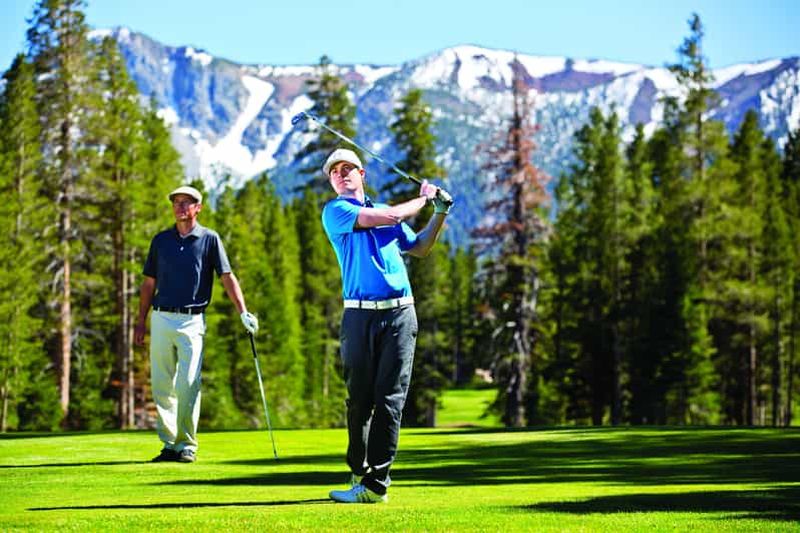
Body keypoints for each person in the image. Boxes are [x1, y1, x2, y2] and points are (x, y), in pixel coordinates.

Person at [321, 148, 452, 503]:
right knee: (359, 400)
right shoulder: (337, 211)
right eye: (336, 171)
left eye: (349, 168)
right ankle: (358, 471)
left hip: (399, 315)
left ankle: (377, 484)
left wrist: (439, 213)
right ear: (332, 181)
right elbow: (393, 215)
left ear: (362, 174)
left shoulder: (383, 216)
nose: (342, 174)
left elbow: (421, 247)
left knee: (390, 398)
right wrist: (425, 199)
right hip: (359, 315)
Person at [134, 185, 259, 463]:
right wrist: (140, 322)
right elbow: (148, 283)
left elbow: (227, 277)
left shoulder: (209, 239)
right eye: (176, 202)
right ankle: (169, 444)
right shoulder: (161, 241)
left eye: (186, 202)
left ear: (198, 207)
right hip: (162, 317)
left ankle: (187, 444)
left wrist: (243, 312)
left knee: (188, 383)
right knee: (162, 385)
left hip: (192, 320)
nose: (180, 207)